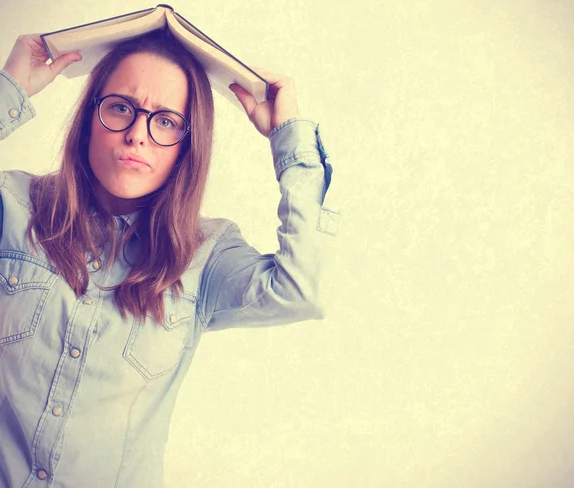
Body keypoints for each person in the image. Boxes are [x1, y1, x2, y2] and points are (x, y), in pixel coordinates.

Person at [0, 28, 338, 487]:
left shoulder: (205, 255)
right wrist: (9, 88)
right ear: (88, 118)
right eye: (120, 107)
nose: (138, 135)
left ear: (187, 145)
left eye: (165, 121)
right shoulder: (14, 206)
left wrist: (289, 139)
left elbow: (301, 291)